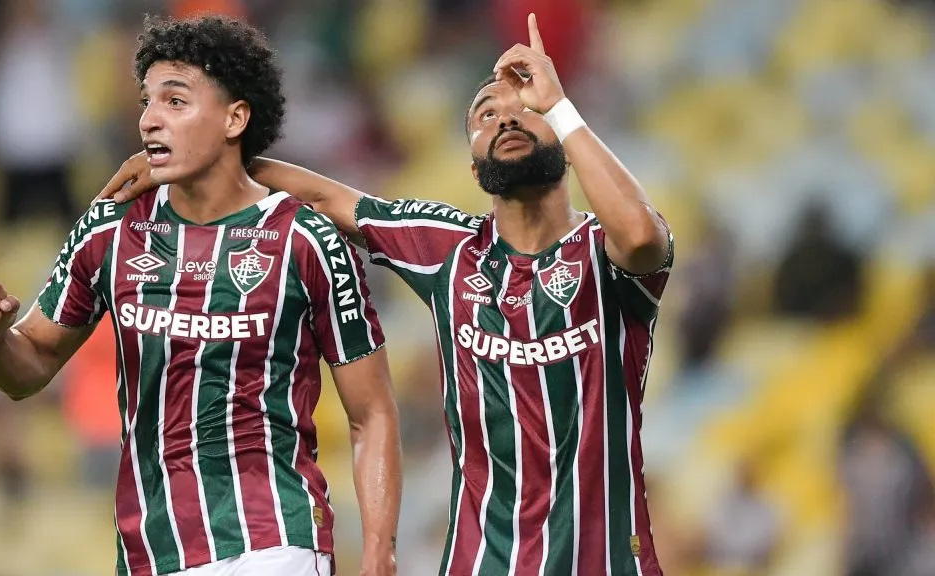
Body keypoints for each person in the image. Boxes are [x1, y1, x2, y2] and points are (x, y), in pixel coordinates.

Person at [102, 14, 672, 575]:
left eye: (527, 111)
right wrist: (193, 162)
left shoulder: (606, 252)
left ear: (565, 138)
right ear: (474, 169)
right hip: (482, 563)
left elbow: (643, 234)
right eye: (486, 115)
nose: (507, 119)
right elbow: (328, 200)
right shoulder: (452, 250)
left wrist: (558, 105)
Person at [0, 15, 400, 576]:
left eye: (175, 101)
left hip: (274, 540)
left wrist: (378, 552)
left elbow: (372, 413)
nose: (149, 120)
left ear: (235, 118)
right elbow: (31, 366)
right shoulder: (111, 229)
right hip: (152, 550)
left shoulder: (304, 239)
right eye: (148, 102)